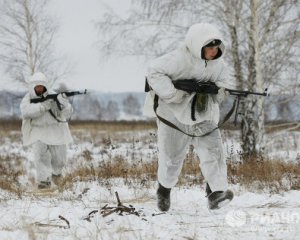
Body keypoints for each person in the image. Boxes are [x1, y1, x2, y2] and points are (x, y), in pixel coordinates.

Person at [144, 23, 234, 211]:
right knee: (171, 159)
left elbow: (225, 83)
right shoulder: (178, 59)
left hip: (204, 114)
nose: (213, 51)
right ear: (198, 45)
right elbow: (153, 71)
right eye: (209, 47)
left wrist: (218, 92)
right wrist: (174, 95)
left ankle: (216, 193)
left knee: (214, 153)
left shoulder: (219, 64)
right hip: (174, 115)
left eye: (216, 47)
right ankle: (164, 190)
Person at [20, 72, 73, 189]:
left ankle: (57, 174)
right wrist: (42, 106)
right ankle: (44, 182)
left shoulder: (54, 96)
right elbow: (26, 112)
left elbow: (66, 113)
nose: (39, 89)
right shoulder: (28, 98)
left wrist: (64, 103)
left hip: (55, 130)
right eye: (37, 86)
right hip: (38, 131)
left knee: (59, 157)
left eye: (41, 86)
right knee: (40, 156)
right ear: (33, 87)